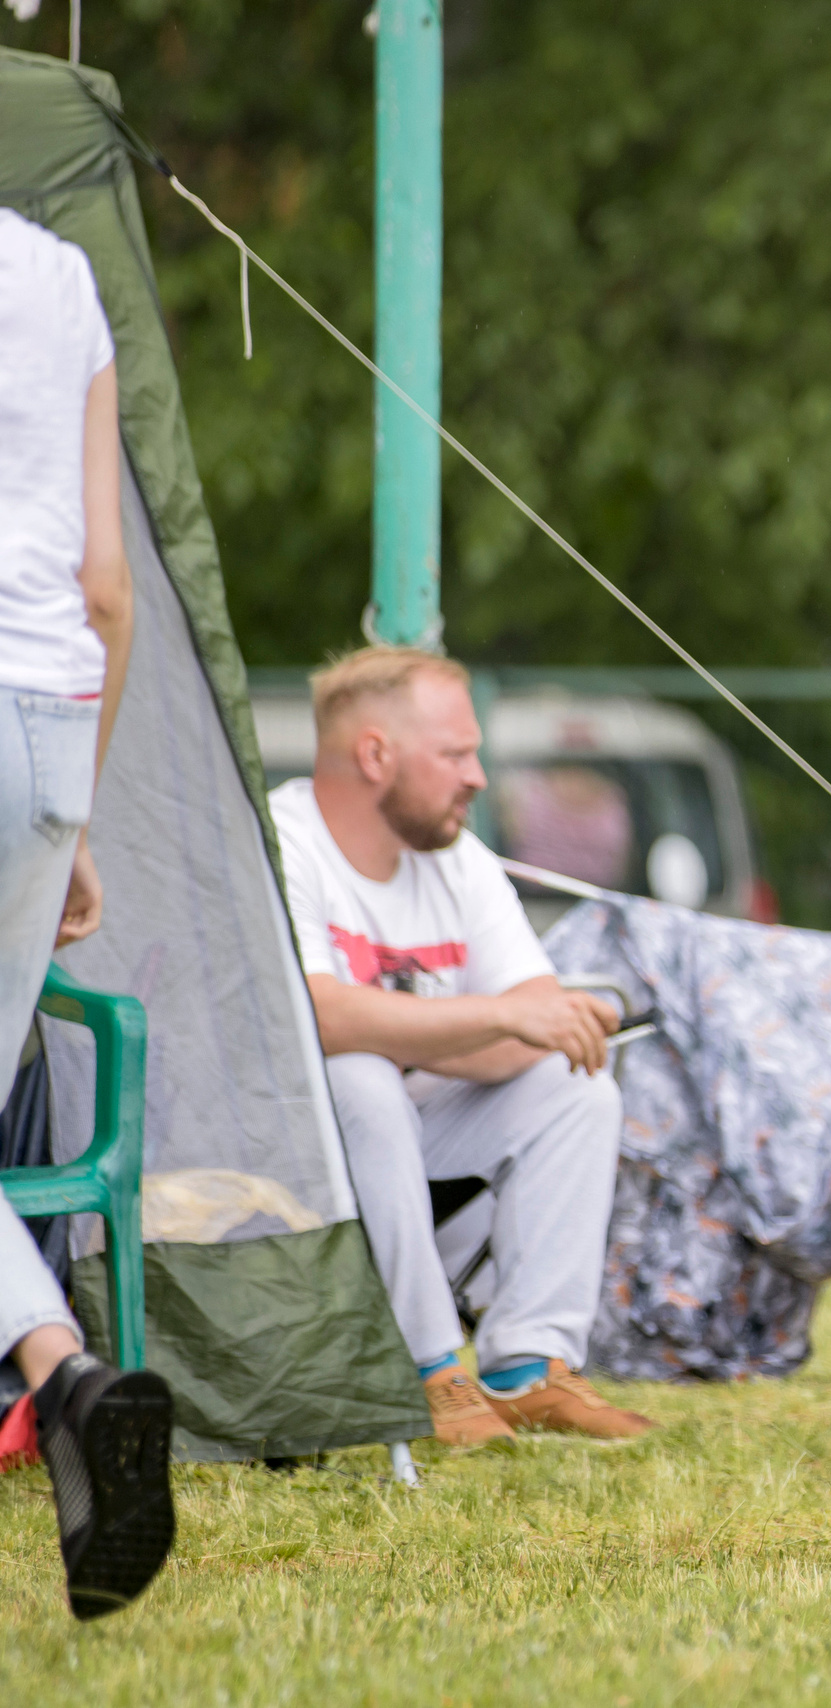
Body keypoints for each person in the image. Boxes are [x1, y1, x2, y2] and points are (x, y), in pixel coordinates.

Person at [276, 646, 655, 1447]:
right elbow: (310, 1016)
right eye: (455, 753)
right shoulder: (282, 841)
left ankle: (528, 1366)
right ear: (376, 754)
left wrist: (487, 1027)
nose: (479, 775)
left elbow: (537, 1014)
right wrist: (489, 1023)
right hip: (284, 1157)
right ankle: (427, 1371)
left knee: (576, 1084)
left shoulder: (461, 858)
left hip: (416, 1135)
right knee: (360, 1077)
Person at [0, 204, 164, 1619]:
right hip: (47, 720)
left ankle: (61, 1377)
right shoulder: (58, 273)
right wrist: (78, 825)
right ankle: (70, 1383)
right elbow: (108, 590)